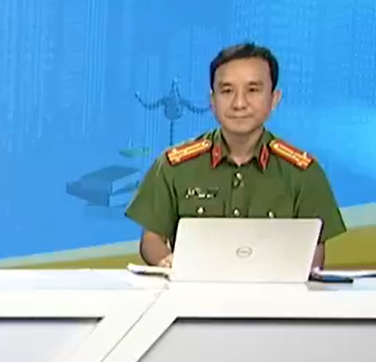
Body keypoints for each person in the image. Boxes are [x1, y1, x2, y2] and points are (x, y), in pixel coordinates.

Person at [125, 43, 345, 269]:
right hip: (194, 290)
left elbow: (314, 254)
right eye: (227, 91)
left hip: (275, 291)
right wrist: (168, 263)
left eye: (253, 90)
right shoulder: (173, 166)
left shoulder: (304, 173)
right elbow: (151, 240)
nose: (239, 104)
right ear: (212, 101)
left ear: (274, 99)